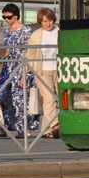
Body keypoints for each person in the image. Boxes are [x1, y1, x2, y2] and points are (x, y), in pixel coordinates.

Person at [0, 3, 35, 137]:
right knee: (3, 96)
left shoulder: (26, 30)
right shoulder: (7, 31)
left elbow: (31, 51)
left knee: (20, 99)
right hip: (7, 67)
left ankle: (24, 129)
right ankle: (4, 126)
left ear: (16, 16)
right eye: (4, 17)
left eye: (9, 17)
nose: (6, 20)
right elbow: (6, 50)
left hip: (21, 66)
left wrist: (26, 70)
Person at [27, 7, 60, 138]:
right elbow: (29, 54)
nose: (48, 24)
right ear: (40, 22)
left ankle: (46, 130)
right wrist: (29, 70)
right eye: (45, 21)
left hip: (58, 69)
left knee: (60, 98)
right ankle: (55, 125)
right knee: (49, 99)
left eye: (50, 20)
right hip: (42, 71)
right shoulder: (36, 35)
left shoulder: (59, 32)